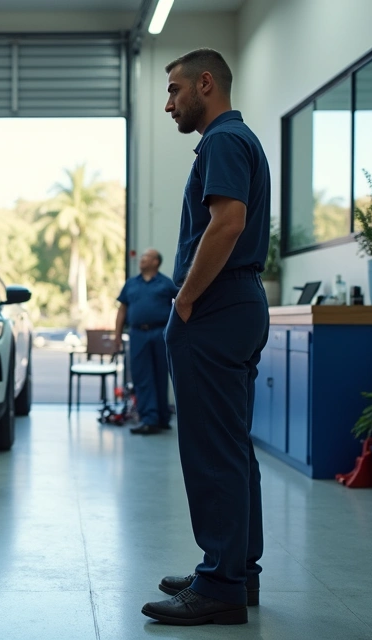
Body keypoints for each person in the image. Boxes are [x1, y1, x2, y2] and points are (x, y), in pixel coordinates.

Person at [139, 48, 271, 626]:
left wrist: (185, 299)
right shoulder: (239, 141)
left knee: (212, 450)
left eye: (174, 90)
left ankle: (219, 585)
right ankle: (236, 570)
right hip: (239, 303)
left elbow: (228, 221)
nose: (168, 104)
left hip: (215, 310)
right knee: (233, 446)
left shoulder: (221, 141)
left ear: (206, 84)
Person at [114, 248, 178, 435]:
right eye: (141, 257)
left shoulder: (166, 284)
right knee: (142, 377)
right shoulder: (131, 284)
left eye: (146, 257)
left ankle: (162, 417)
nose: (142, 259)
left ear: (156, 262)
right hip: (138, 334)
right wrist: (117, 335)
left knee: (160, 375)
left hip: (161, 333)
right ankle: (149, 419)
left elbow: (180, 306)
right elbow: (122, 310)